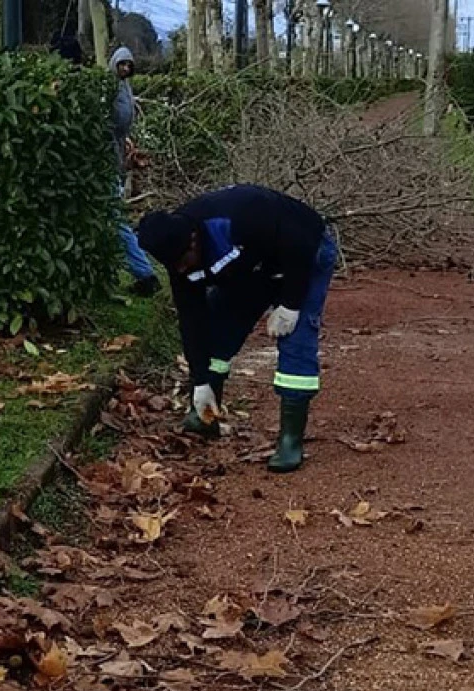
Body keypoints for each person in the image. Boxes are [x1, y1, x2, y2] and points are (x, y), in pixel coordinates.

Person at [138, 185, 338, 474]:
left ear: (193, 240)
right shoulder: (178, 258)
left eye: (184, 262)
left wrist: (291, 304)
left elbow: (300, 241)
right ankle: (205, 414)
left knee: (296, 340)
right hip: (253, 269)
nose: (182, 271)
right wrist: (200, 380)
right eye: (174, 267)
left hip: (304, 255)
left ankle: (290, 440)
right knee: (217, 328)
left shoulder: (243, 213)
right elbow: (191, 318)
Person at [109, 46, 161, 296]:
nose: (126, 69)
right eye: (122, 65)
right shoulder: (114, 90)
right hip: (112, 161)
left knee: (114, 219)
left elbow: (118, 124)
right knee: (111, 220)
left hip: (109, 164)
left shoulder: (122, 91)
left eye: (129, 65)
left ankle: (145, 273)